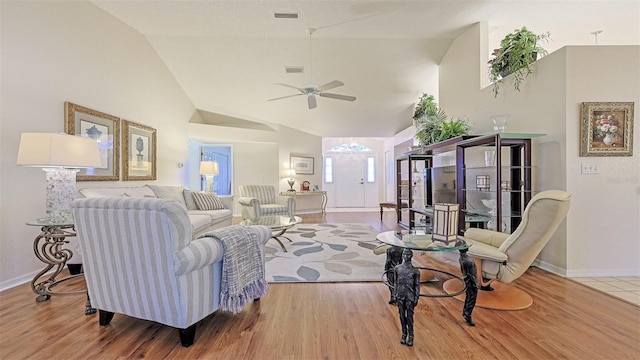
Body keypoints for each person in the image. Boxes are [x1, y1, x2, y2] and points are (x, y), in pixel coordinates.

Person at [394, 248, 420, 346]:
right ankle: (404, 333)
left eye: (408, 254)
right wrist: (395, 294)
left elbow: (417, 285)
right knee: (401, 316)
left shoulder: (415, 271)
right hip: (400, 296)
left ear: (411, 256)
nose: (406, 256)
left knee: (409, 317)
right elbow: (396, 282)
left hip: (410, 297)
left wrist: (416, 297)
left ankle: (411, 335)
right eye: (404, 254)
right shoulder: (397, 268)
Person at [458, 248, 478, 326]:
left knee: (468, 297)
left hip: (466, 279)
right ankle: (467, 314)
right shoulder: (468, 261)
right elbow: (471, 275)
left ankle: (465, 312)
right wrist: (475, 284)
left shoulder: (461, 258)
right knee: (472, 299)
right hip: (471, 281)